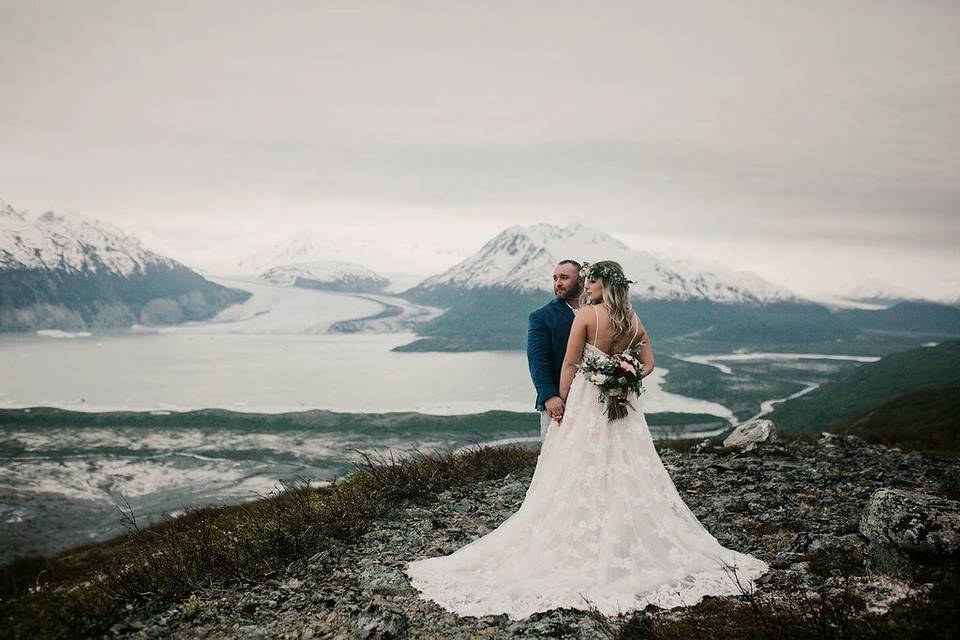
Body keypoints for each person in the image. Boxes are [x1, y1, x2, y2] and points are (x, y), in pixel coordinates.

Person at [404, 260, 770, 620]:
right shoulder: (633, 320)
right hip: (623, 403)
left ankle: (578, 538)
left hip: (584, 401)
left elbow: (568, 364)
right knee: (622, 464)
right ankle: (622, 536)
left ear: (597, 284)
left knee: (573, 466)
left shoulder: (587, 316)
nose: (583, 285)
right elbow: (650, 364)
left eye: (588, 280)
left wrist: (562, 402)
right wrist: (624, 374)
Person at [525, 259, 583, 440]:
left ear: (581, 280)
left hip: (592, 399)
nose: (558, 283)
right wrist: (549, 396)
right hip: (558, 402)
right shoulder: (541, 317)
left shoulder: (598, 311)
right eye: (555, 278)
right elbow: (537, 360)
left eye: (564, 277)